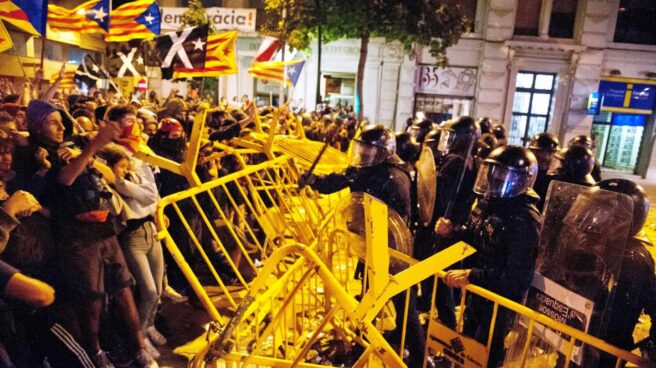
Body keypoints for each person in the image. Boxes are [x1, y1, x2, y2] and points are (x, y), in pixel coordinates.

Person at [14, 99, 158, 368]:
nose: (60, 127)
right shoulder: (32, 153)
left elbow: (93, 159)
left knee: (123, 289)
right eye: (52, 122)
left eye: (61, 121)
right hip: (74, 235)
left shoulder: (69, 145)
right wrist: (90, 148)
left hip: (102, 227)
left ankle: (139, 349)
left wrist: (90, 153)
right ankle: (96, 353)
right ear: (36, 126)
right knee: (92, 298)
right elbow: (64, 179)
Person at [301, 124, 426, 367]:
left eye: (370, 149)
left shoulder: (395, 177)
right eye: (363, 148)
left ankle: (418, 358)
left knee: (406, 309)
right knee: (368, 304)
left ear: (384, 152)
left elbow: (396, 222)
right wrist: (314, 180)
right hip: (369, 250)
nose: (365, 154)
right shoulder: (363, 171)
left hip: (394, 254)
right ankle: (364, 345)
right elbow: (338, 181)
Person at [435, 145, 541, 367]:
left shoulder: (525, 220)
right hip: (477, 295)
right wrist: (452, 231)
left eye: (504, 174)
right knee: (467, 351)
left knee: (486, 354)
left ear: (524, 181)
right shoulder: (488, 204)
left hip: (499, 306)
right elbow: (475, 238)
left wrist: (473, 275)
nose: (497, 179)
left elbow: (517, 279)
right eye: (494, 172)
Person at [103, 105, 167, 359]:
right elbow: (130, 199)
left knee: (157, 291)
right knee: (148, 290)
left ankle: (148, 326)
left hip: (150, 229)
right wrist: (122, 183)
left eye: (135, 120)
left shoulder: (140, 156)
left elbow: (152, 195)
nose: (136, 125)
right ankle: (139, 338)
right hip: (131, 234)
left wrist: (122, 183)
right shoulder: (108, 157)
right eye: (129, 121)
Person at [592, 179, 656, 367]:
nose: (595, 216)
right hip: (576, 336)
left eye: (604, 212)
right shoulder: (590, 243)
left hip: (606, 348)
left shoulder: (634, 260)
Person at [528, 132, 559, 211]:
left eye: (548, 153)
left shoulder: (556, 177)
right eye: (539, 153)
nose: (544, 157)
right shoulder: (526, 173)